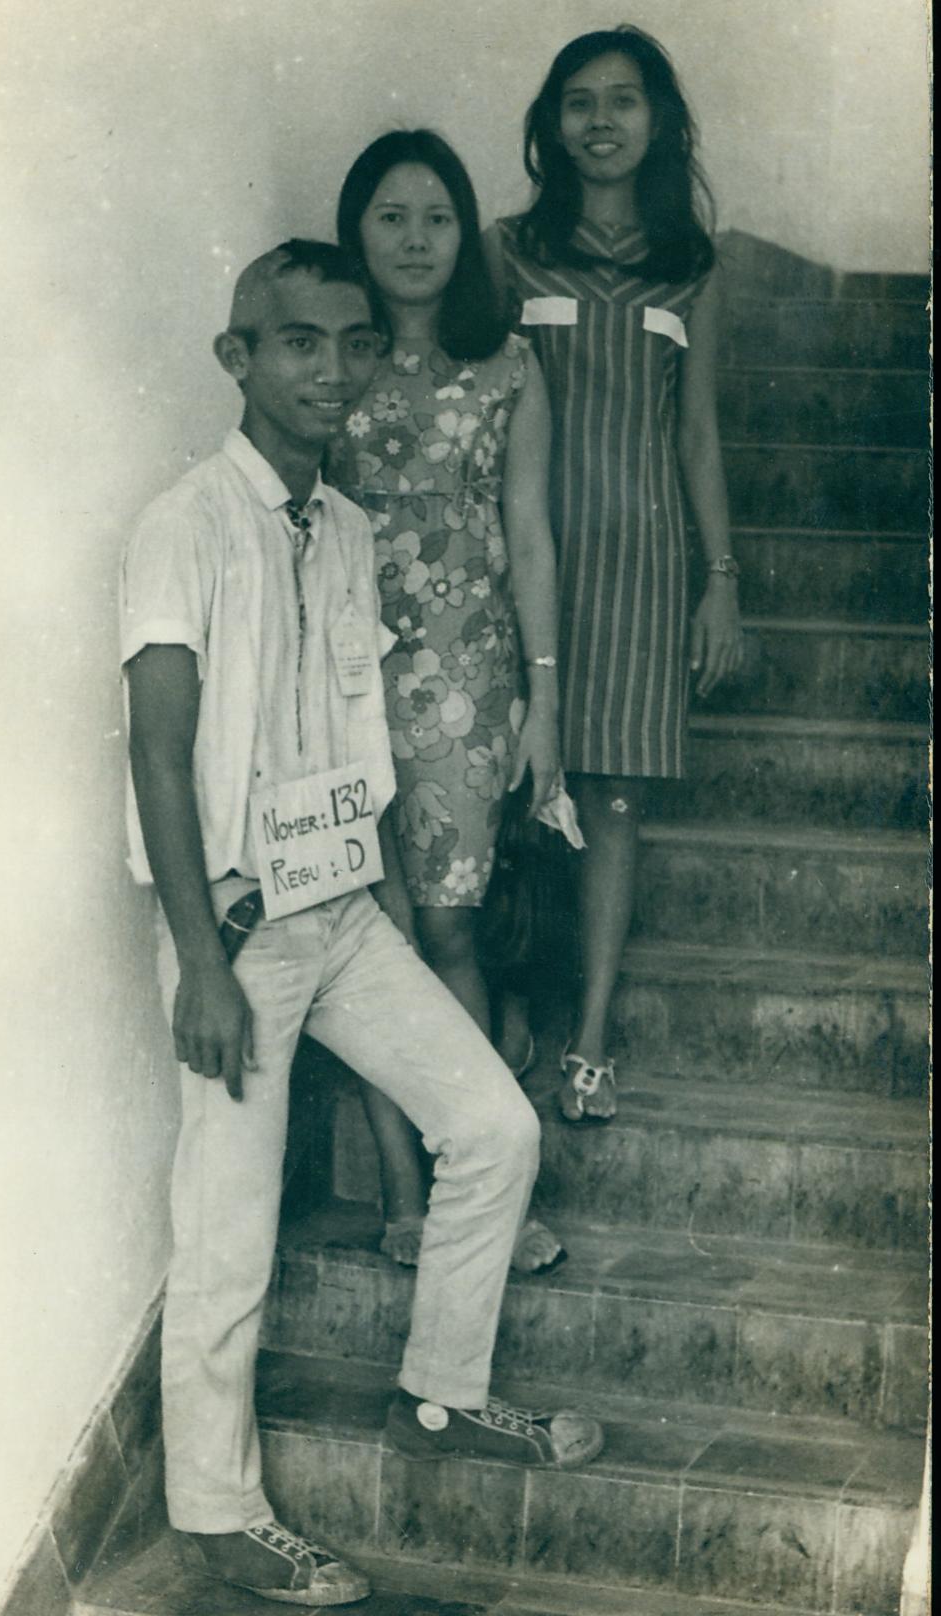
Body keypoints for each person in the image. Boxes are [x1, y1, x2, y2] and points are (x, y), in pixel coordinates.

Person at [120, 238, 602, 1608]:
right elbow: (158, 752)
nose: (330, 368)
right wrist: (201, 965)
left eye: (352, 342)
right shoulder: (183, 523)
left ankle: (440, 1390)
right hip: (235, 936)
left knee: (495, 1126)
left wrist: (383, 914)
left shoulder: (340, 528)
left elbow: (351, 743)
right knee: (228, 1227)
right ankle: (216, 1512)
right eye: (298, 342)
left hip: (340, 912)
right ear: (239, 357)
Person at [486, 27, 745, 1125]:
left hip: (640, 560)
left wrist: (720, 577)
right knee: (514, 785)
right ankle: (510, 1002)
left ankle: (588, 1032)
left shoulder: (695, 265)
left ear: (659, 120)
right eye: (579, 101)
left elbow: (697, 434)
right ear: (552, 124)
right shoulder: (507, 251)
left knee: (614, 797)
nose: (601, 120)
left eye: (624, 100)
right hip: (521, 556)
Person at [329, 130, 565, 1274]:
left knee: (450, 925)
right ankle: (403, 1196)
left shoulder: (510, 365)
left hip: (468, 682)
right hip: (339, 679)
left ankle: (489, 1199)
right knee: (366, 934)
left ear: (465, 235)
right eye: (391, 216)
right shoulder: (335, 363)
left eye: (436, 217)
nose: (415, 239)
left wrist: (545, 703)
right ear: (357, 231)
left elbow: (531, 536)